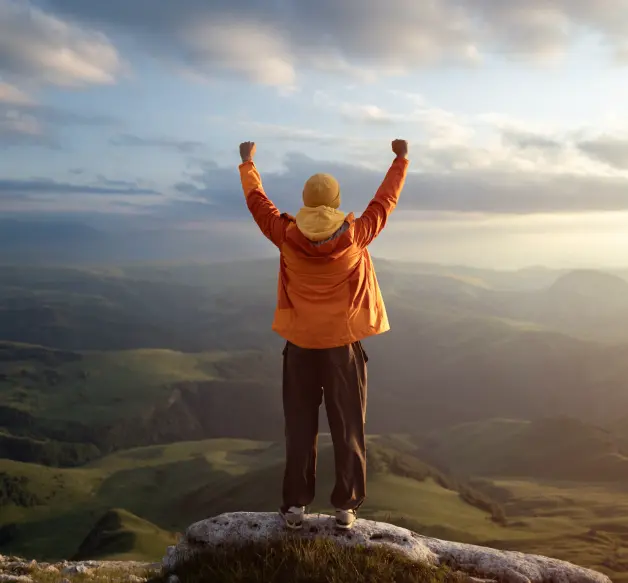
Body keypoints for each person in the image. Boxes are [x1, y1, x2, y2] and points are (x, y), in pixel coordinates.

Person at [238, 139, 409, 530]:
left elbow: (257, 203)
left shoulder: (285, 234)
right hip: (342, 348)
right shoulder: (356, 234)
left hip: (299, 346)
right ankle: (346, 507)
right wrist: (399, 159)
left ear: (304, 199)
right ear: (335, 200)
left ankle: (295, 507)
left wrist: (248, 163)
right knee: (348, 425)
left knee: (299, 426)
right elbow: (385, 202)